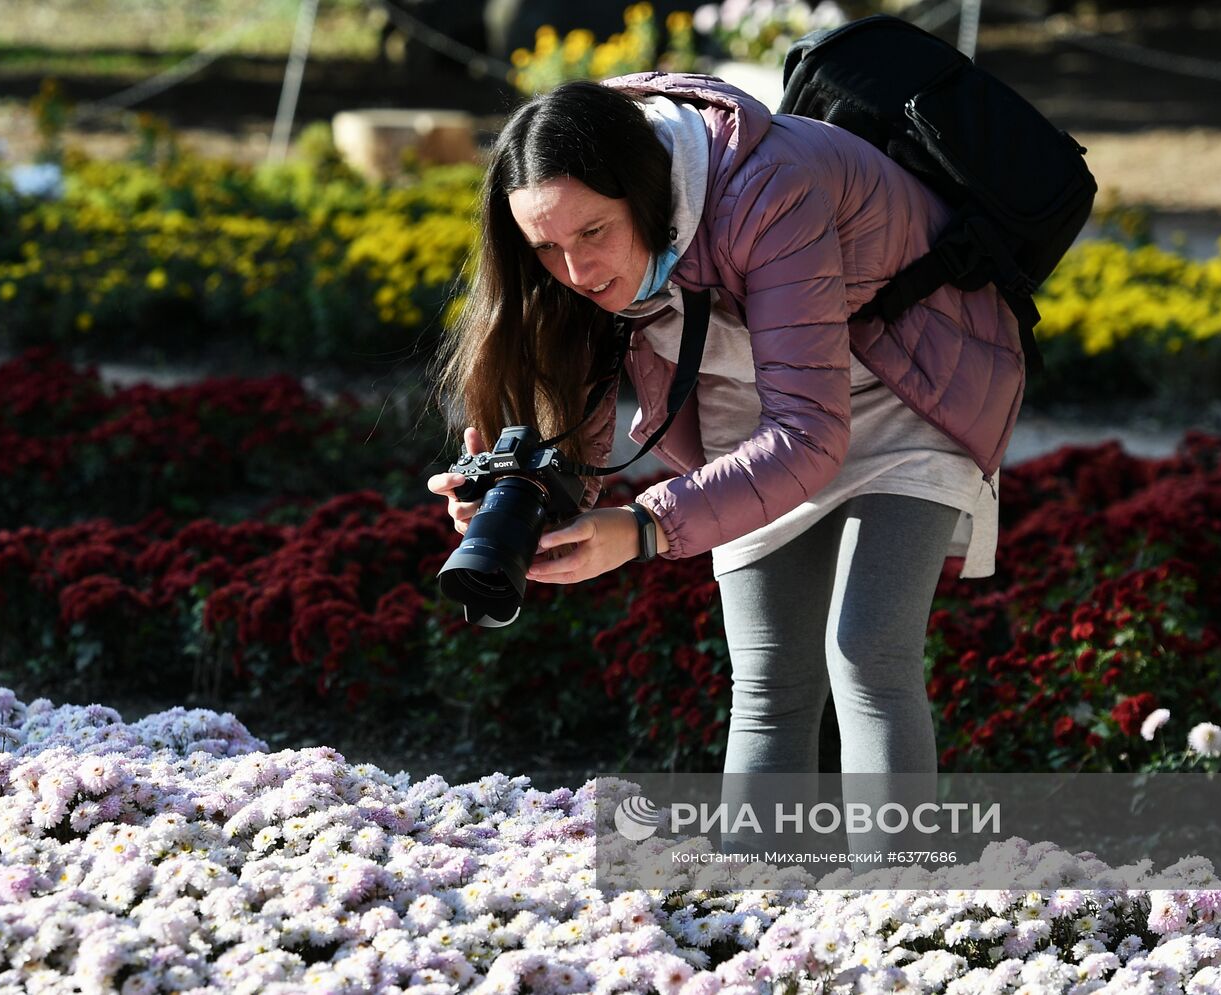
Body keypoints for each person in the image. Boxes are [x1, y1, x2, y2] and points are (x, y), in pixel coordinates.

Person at [428, 73, 1023, 852]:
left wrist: (645, 525)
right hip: (754, 405)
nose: (574, 271)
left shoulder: (769, 185)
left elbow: (810, 434)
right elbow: (579, 431)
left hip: (906, 385)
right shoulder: (580, 243)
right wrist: (519, 496)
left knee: (868, 652)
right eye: (546, 247)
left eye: (594, 234)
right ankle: (763, 928)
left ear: (645, 191)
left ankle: (902, 917)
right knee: (770, 683)